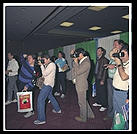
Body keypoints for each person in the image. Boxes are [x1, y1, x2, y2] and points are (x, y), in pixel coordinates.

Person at [34, 54, 61, 125]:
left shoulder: (52, 65)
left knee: (40, 100)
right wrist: (41, 62)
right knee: (50, 97)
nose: (43, 62)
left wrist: (41, 66)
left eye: (44, 60)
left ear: (48, 59)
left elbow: (45, 73)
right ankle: (57, 109)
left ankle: (41, 119)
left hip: (48, 85)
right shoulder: (48, 64)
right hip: (48, 84)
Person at [71, 48, 95, 122]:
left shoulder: (86, 62)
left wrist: (75, 62)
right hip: (79, 83)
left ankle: (83, 118)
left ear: (81, 54)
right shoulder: (83, 60)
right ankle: (90, 114)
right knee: (84, 101)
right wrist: (73, 57)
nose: (76, 56)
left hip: (82, 84)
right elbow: (75, 67)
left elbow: (78, 71)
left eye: (77, 54)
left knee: (81, 102)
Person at [104, 39, 124, 119]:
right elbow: (113, 61)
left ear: (120, 45)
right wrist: (109, 65)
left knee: (116, 100)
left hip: (118, 81)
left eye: (115, 45)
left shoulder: (123, 54)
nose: (113, 46)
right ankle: (110, 114)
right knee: (110, 98)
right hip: (110, 79)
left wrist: (114, 66)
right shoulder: (115, 54)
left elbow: (123, 65)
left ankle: (116, 116)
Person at [111, 44, 129, 119]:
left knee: (124, 115)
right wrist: (115, 52)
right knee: (117, 113)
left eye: (123, 54)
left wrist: (118, 63)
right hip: (116, 91)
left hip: (123, 93)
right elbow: (112, 56)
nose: (121, 56)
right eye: (121, 54)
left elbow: (124, 77)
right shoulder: (124, 63)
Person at [18, 54, 37, 118]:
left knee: (29, 98)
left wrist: (27, 86)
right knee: (23, 97)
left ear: (34, 60)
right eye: (28, 58)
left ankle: (31, 111)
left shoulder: (35, 69)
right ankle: (25, 109)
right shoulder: (26, 63)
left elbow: (33, 81)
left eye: (30, 58)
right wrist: (23, 56)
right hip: (21, 82)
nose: (28, 59)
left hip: (28, 84)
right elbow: (21, 59)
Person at [93, 47, 109, 112]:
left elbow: (105, 71)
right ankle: (99, 102)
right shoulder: (98, 59)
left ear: (102, 52)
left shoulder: (105, 60)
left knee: (103, 92)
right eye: (97, 51)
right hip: (97, 77)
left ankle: (104, 105)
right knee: (98, 91)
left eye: (99, 51)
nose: (97, 52)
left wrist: (103, 80)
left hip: (101, 78)